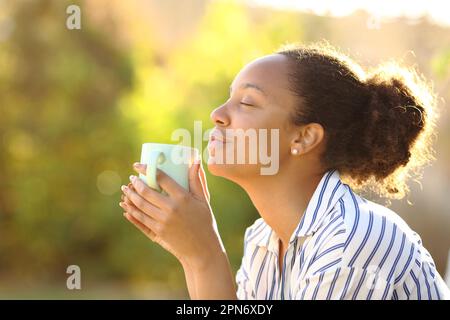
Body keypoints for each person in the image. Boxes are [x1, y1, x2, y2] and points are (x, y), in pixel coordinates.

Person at [119, 42, 450, 299]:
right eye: (228, 99)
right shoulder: (264, 240)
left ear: (304, 137)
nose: (217, 114)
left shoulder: (354, 238)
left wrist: (204, 255)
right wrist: (192, 254)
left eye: (247, 103)